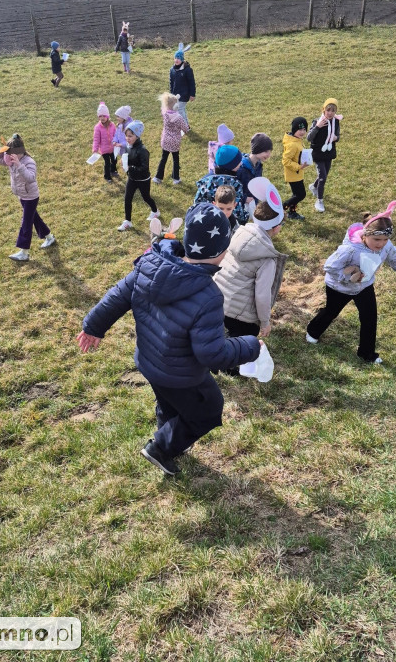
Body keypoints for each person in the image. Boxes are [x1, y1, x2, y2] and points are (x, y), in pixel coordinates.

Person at [77, 202, 261, 475]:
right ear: (221, 253)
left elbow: (117, 296)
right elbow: (211, 354)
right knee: (209, 408)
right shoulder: (208, 296)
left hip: (150, 362)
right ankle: (161, 447)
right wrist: (248, 346)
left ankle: (169, 437)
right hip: (182, 373)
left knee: (168, 402)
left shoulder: (150, 263)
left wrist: (93, 325)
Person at [306, 201, 396, 364]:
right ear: (365, 235)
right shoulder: (350, 249)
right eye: (376, 239)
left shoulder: (385, 246)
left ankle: (367, 353)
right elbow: (329, 266)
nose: (380, 244)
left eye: (385, 239)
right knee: (331, 311)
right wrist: (348, 277)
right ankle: (313, 331)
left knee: (369, 317)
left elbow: (394, 254)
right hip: (339, 287)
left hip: (364, 286)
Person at [215, 178, 287, 341]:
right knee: (237, 354)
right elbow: (262, 295)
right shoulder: (267, 258)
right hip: (241, 317)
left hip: (218, 303)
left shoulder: (238, 232)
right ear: (276, 228)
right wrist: (265, 322)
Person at [0, 134, 56, 261]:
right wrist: (2, 149)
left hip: (31, 197)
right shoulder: (10, 161)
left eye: (13, 153)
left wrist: (19, 165)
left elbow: (31, 178)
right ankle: (49, 237)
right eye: (8, 153)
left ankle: (24, 252)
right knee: (35, 218)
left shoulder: (28, 162)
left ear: (20, 152)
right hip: (22, 196)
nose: (10, 157)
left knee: (26, 223)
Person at [117, 121, 160, 232]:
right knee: (127, 199)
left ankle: (155, 211)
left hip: (143, 179)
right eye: (126, 135)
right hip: (132, 178)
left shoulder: (142, 150)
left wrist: (130, 167)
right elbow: (127, 155)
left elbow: (144, 167)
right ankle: (128, 221)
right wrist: (123, 160)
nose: (127, 138)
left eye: (130, 136)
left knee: (146, 197)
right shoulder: (128, 146)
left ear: (137, 136)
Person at [194, 145, 249, 225]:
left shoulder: (206, 180)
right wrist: (245, 217)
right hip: (225, 225)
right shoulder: (235, 185)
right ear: (232, 166)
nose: (241, 163)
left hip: (203, 221)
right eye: (238, 162)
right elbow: (237, 211)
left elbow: (196, 202)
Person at [307, 98, 343, 214]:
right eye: (328, 110)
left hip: (329, 152)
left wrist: (335, 138)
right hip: (318, 153)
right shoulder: (317, 121)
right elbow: (309, 138)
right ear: (324, 109)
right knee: (323, 177)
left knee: (324, 174)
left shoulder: (336, 121)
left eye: (333, 110)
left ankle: (314, 186)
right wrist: (317, 126)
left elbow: (338, 135)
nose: (330, 113)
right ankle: (319, 200)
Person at [152, 92, 189, 185]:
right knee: (175, 159)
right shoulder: (179, 117)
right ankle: (176, 178)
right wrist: (186, 129)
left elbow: (163, 108)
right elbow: (185, 128)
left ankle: (158, 177)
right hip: (175, 141)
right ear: (176, 106)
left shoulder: (165, 114)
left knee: (163, 158)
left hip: (165, 140)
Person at [282, 117, 310, 221]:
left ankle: (292, 212)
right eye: (300, 130)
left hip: (298, 173)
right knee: (301, 195)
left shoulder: (297, 140)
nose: (302, 132)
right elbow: (285, 161)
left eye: (304, 130)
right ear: (294, 130)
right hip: (293, 174)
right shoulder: (292, 144)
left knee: (296, 195)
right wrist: (299, 167)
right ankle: (282, 208)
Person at [237, 133, 273, 206]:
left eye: (270, 151)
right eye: (266, 151)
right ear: (257, 149)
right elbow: (234, 189)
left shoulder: (258, 165)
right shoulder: (241, 168)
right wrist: (244, 198)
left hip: (253, 203)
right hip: (242, 204)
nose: (269, 155)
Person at [169, 50, 196, 129]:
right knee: (180, 110)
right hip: (175, 94)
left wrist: (192, 94)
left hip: (184, 94)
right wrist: (171, 94)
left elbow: (192, 83)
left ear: (182, 59)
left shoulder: (187, 70)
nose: (177, 60)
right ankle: (183, 124)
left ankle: (186, 127)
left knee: (180, 109)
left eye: (179, 58)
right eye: (175, 58)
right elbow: (171, 82)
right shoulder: (172, 70)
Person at [92, 102, 117, 183]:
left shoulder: (112, 125)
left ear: (107, 116)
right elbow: (96, 139)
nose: (102, 118)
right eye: (100, 116)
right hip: (104, 149)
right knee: (107, 163)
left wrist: (116, 142)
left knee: (114, 160)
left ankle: (113, 171)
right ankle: (107, 176)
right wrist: (95, 149)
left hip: (112, 148)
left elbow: (115, 135)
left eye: (104, 116)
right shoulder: (97, 127)